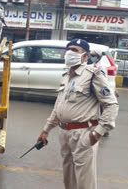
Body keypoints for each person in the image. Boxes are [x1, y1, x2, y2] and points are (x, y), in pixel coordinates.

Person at [37, 38, 119, 189]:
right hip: (64, 132)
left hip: (83, 133)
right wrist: (46, 130)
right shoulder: (66, 77)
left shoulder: (93, 74)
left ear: (85, 56)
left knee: (84, 180)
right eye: (68, 49)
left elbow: (111, 104)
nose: (69, 53)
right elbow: (58, 108)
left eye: (75, 50)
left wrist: (97, 133)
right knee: (68, 176)